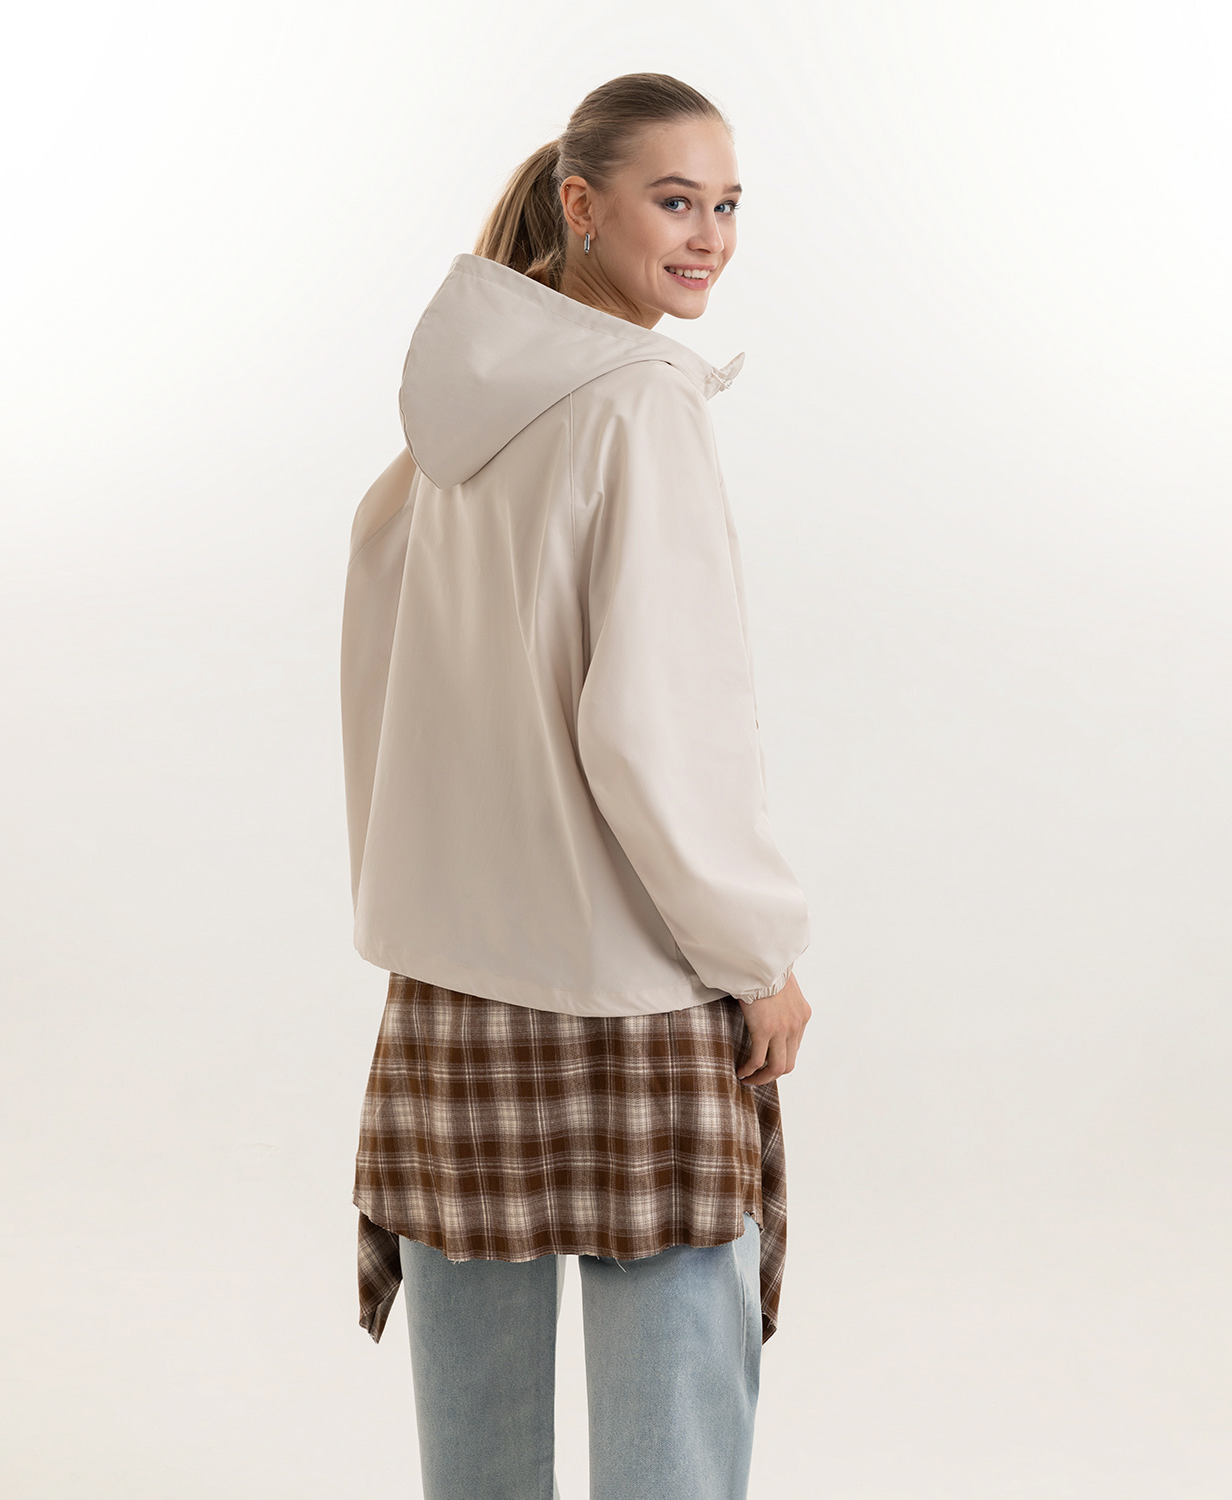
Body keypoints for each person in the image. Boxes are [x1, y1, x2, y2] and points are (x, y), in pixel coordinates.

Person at [342, 72, 812, 1500]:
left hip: (453, 981)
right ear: (582, 205)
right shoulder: (639, 404)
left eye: (726, 205)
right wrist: (757, 955)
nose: (709, 236)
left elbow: (385, 685)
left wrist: (414, 902)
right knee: (673, 1419)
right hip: (633, 981)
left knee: (473, 1439)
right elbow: (661, 726)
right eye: (676, 201)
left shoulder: (447, 429)